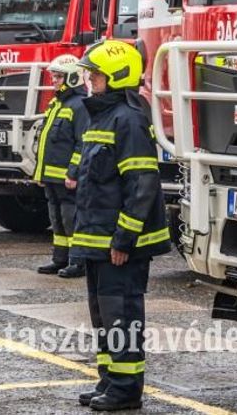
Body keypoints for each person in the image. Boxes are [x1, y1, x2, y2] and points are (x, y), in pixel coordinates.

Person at [68, 40, 169, 412]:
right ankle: (110, 379)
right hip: (98, 238)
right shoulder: (102, 115)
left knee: (122, 314)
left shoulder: (128, 118)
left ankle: (126, 389)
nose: (89, 80)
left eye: (95, 74)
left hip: (118, 243)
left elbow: (141, 186)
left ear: (115, 77)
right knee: (104, 314)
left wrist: (124, 238)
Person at [35, 54, 90, 278]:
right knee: (56, 218)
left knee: (71, 218)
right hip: (51, 176)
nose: (54, 81)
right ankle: (60, 259)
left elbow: (82, 142)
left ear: (72, 78)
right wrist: (39, 173)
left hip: (67, 178)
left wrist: (73, 173)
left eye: (58, 77)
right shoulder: (57, 103)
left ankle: (78, 261)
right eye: (54, 76)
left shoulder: (79, 106)